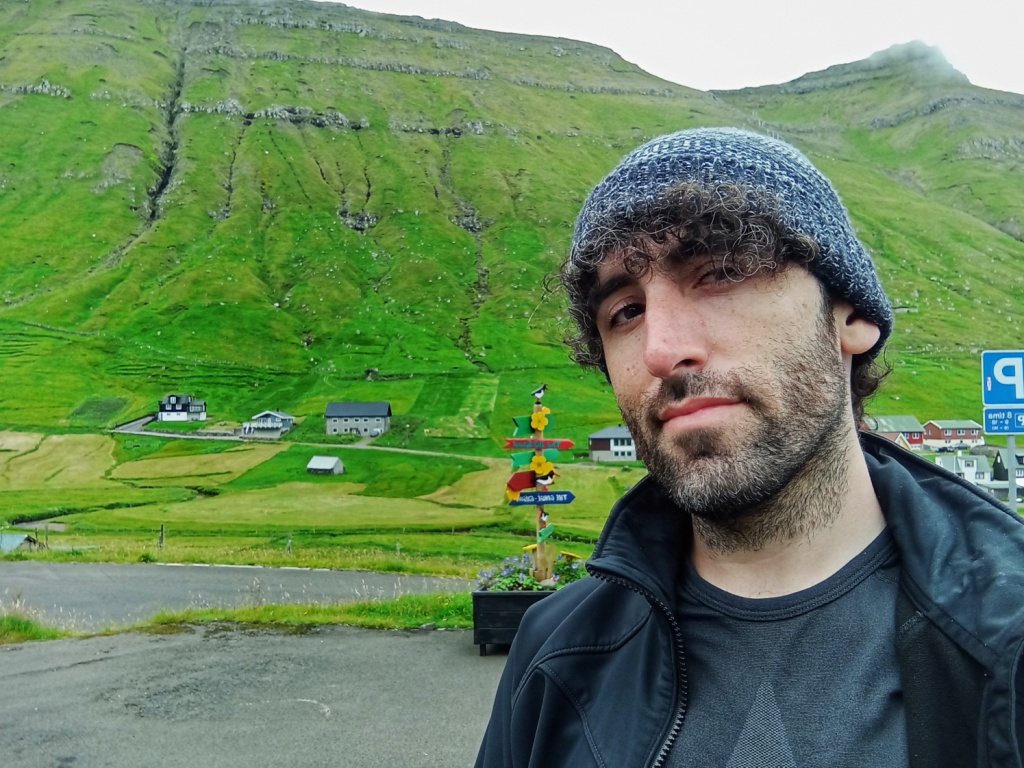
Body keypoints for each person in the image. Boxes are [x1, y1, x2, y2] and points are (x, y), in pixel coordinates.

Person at [475, 127, 1024, 767]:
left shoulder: (1008, 635)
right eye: (625, 312)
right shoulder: (554, 654)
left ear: (851, 315)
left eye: (720, 272)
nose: (660, 351)